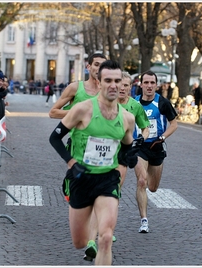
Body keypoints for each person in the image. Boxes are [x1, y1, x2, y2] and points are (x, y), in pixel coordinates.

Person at [49, 60, 139, 265]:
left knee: (106, 237)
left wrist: (129, 156)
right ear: (99, 83)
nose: (114, 85)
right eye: (108, 80)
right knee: (79, 241)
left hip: (108, 179)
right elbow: (54, 138)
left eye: (118, 81)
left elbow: (126, 146)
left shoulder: (127, 118)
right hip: (81, 178)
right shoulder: (82, 109)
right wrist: (71, 163)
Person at [134, 70, 178, 233]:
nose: (149, 86)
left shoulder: (163, 102)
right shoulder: (134, 102)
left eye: (152, 83)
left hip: (157, 148)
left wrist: (163, 137)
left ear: (156, 85)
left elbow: (174, 123)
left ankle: (148, 192)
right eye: (146, 83)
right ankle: (144, 220)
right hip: (140, 148)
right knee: (141, 181)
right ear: (141, 84)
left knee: (152, 187)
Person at [49, 53, 107, 118]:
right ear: (89, 67)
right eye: (96, 65)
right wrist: (79, 113)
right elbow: (53, 113)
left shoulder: (107, 90)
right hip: (76, 128)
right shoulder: (75, 87)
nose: (99, 69)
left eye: (102, 66)